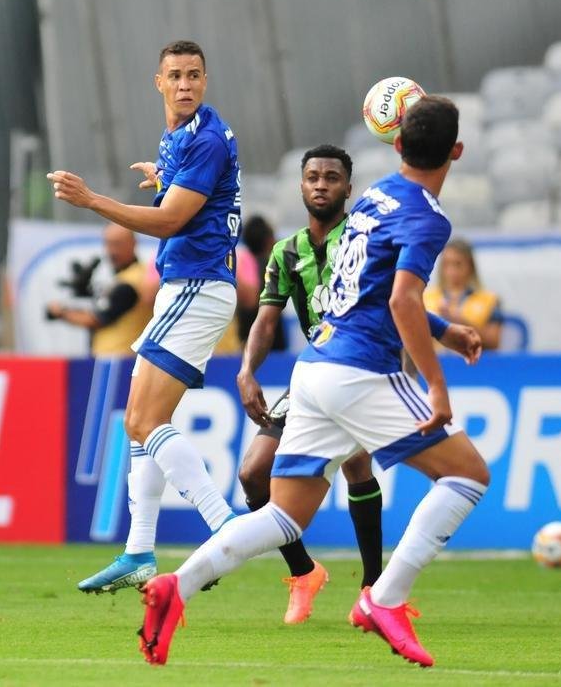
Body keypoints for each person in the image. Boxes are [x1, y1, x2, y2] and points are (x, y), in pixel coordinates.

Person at [137, 96, 490, 669]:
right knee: (467, 476)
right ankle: (385, 598)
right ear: (457, 152)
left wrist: (444, 330)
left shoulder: (373, 199)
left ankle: (178, 586)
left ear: (396, 144)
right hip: (359, 371)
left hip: (314, 369)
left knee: (282, 516)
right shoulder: (428, 216)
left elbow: (362, 290)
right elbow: (400, 297)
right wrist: (438, 385)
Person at [236, 144, 481, 625]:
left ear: (349, 189)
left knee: (356, 466)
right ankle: (304, 571)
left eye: (331, 177)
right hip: (317, 368)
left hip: (367, 367)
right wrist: (247, 370)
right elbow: (266, 321)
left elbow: (402, 298)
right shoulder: (287, 253)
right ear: (301, 185)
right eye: (312, 177)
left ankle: (372, 586)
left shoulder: (366, 231)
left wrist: (429, 348)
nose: (321, 184)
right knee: (252, 473)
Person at [47, 40, 243, 593]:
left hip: (197, 285)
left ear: (206, 80)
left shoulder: (204, 138)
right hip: (188, 286)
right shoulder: (181, 137)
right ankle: (138, 551)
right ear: (158, 82)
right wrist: (164, 178)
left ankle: (225, 527)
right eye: (176, 76)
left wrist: (92, 201)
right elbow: (188, 199)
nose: (185, 84)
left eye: (195, 75)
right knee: (139, 425)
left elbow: (168, 222)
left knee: (140, 421)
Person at [46, 223, 154, 356]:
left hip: (118, 358)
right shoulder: (126, 276)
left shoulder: (131, 281)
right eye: (108, 244)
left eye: (117, 244)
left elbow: (96, 319)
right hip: (115, 357)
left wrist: (61, 312)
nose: (112, 251)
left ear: (133, 243)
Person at [424, 237, 503, 350]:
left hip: (472, 363)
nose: (451, 271)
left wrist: (459, 321)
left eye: (458, 264)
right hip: (435, 362)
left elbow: (494, 342)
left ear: (470, 266)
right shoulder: (426, 297)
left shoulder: (489, 299)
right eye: (446, 264)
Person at [236, 214, 285, 350]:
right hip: (273, 343)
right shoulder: (274, 265)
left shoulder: (241, 262)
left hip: (246, 341)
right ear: (269, 240)